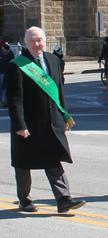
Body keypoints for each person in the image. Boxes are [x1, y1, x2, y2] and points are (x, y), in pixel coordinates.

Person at [5, 26, 86, 213]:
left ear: (45, 40)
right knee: (24, 163)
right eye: (32, 40)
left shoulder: (53, 60)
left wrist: (64, 116)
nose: (36, 44)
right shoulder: (17, 64)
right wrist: (19, 125)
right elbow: (14, 98)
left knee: (53, 159)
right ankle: (24, 200)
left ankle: (64, 199)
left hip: (51, 121)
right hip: (28, 123)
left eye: (39, 40)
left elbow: (58, 91)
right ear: (25, 43)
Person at [0, 43, 15, 108]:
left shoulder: (9, 56)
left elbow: (6, 65)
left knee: (5, 88)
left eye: (3, 50)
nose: (2, 51)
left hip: (6, 73)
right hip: (5, 73)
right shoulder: (7, 55)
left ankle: (6, 102)